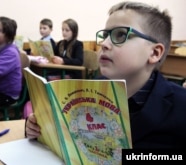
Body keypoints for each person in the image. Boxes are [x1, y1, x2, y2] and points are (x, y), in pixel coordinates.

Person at [25, 1, 186, 148]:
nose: (104, 44)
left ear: (154, 53)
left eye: (120, 35)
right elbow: (67, 131)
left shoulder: (181, 105)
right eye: (105, 36)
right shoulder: (90, 88)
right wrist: (38, 127)